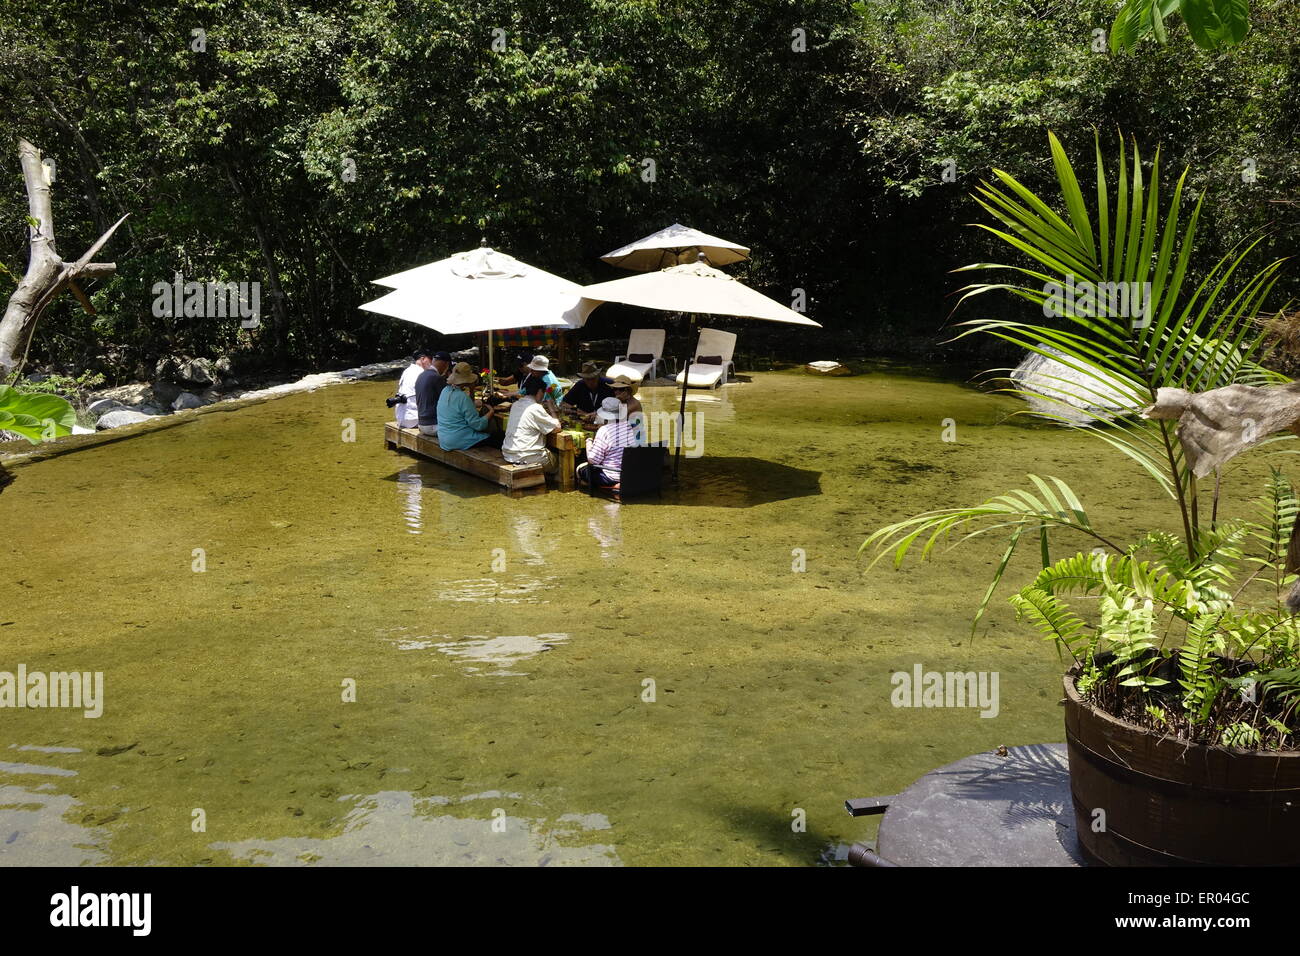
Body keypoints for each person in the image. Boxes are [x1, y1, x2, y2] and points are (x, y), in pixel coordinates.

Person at [578, 397, 645, 488]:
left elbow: (592, 460)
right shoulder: (632, 426)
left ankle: (612, 487)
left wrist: (588, 442)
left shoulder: (604, 430)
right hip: (632, 474)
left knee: (580, 469)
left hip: (612, 476)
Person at [502, 375, 562, 473]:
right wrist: (552, 409)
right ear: (539, 392)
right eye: (543, 393)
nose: (543, 397)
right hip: (528, 457)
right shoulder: (535, 408)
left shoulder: (515, 405)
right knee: (560, 461)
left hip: (509, 455)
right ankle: (560, 485)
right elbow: (557, 428)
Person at [437, 362, 498, 450]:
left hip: (443, 438)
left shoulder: (445, 390)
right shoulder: (463, 397)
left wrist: (472, 390)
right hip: (458, 440)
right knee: (496, 438)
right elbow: (478, 425)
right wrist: (491, 412)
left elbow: (469, 405)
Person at [414, 350, 452, 437]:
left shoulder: (421, 375)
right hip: (433, 425)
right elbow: (450, 401)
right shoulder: (436, 377)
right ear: (446, 364)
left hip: (421, 424)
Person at [391, 349, 431, 428]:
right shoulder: (423, 374)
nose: (432, 362)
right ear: (423, 359)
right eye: (430, 359)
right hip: (415, 419)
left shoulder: (407, 371)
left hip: (400, 418)